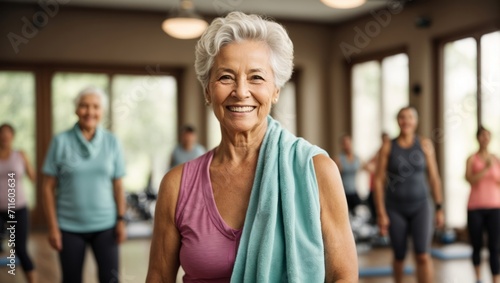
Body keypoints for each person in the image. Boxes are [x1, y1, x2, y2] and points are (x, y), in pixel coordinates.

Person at [146, 11, 358, 282]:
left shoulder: (317, 171)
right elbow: (158, 277)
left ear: (276, 89)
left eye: (256, 77)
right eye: (225, 77)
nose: (241, 91)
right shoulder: (176, 186)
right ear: (207, 91)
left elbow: (344, 276)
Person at [41, 86, 127, 283]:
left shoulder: (112, 142)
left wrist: (121, 220)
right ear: (76, 109)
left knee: (111, 280)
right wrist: (53, 227)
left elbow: (118, 185)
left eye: (95, 107)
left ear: (102, 111)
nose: (90, 112)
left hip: (106, 225)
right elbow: (47, 187)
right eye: (84, 106)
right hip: (69, 227)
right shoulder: (60, 142)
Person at [374, 106, 444, 283]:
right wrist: (381, 213)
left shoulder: (425, 144)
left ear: (416, 121)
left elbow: (434, 178)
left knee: (422, 254)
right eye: (402, 117)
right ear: (398, 121)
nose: (406, 121)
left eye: (410, 117)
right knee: (399, 255)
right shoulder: (388, 146)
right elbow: (378, 181)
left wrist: (439, 207)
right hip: (395, 208)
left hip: (421, 206)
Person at [0, 123, 37, 283]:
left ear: (13, 137)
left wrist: (27, 162)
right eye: (2, 134)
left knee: (20, 249)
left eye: (8, 134)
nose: (5, 137)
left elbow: (33, 177)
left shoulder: (20, 155)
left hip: (19, 208)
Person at [465, 126, 500, 283]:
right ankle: (478, 278)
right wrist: (486, 168)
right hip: (475, 207)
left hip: (494, 206)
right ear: (477, 138)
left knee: (495, 246)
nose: (485, 138)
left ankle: (495, 279)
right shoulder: (472, 158)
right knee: (477, 244)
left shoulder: (496, 159)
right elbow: (469, 180)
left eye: (488, 135)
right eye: (482, 135)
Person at [364, 132, 390, 224]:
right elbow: (366, 166)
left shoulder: (391, 153)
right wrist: (376, 169)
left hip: (385, 188)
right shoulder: (378, 153)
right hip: (374, 187)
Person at [334, 134, 362, 215]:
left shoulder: (357, 158)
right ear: (342, 145)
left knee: (358, 215)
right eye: (345, 144)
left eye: (349, 143)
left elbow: (367, 166)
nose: (347, 146)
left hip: (354, 191)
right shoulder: (339, 159)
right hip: (343, 192)